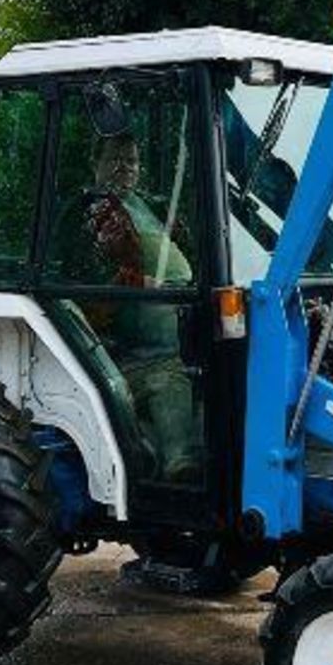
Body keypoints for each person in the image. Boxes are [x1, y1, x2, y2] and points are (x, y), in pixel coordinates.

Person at [80, 131, 200, 484]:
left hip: (173, 328)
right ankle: (180, 466)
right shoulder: (97, 212)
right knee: (168, 379)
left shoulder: (143, 205)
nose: (124, 168)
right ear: (95, 164)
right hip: (130, 350)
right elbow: (99, 282)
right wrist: (153, 288)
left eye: (131, 160)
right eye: (114, 159)